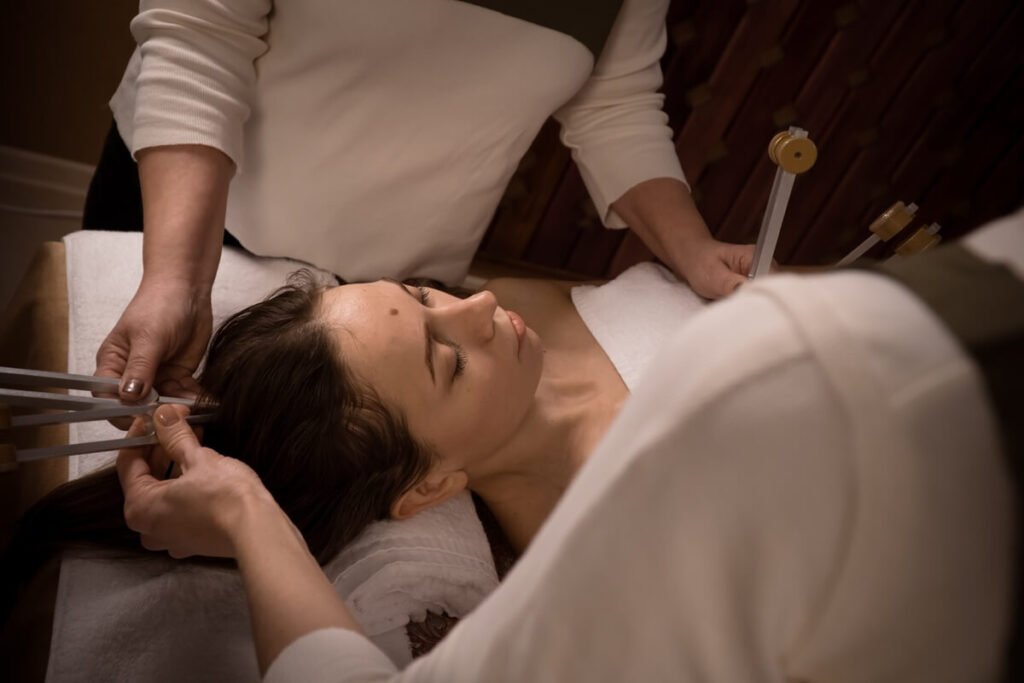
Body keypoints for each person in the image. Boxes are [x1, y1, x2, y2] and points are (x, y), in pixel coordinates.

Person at [113, 210, 1022, 681]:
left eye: (423, 297)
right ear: (428, 487)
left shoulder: (513, 300)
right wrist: (244, 506)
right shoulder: (614, 533)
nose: (476, 305)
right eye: (445, 361)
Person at [88, 0, 756, 407]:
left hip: (398, 286)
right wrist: (177, 279)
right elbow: (199, 40)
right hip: (192, 222)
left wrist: (694, 250)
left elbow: (615, 104)